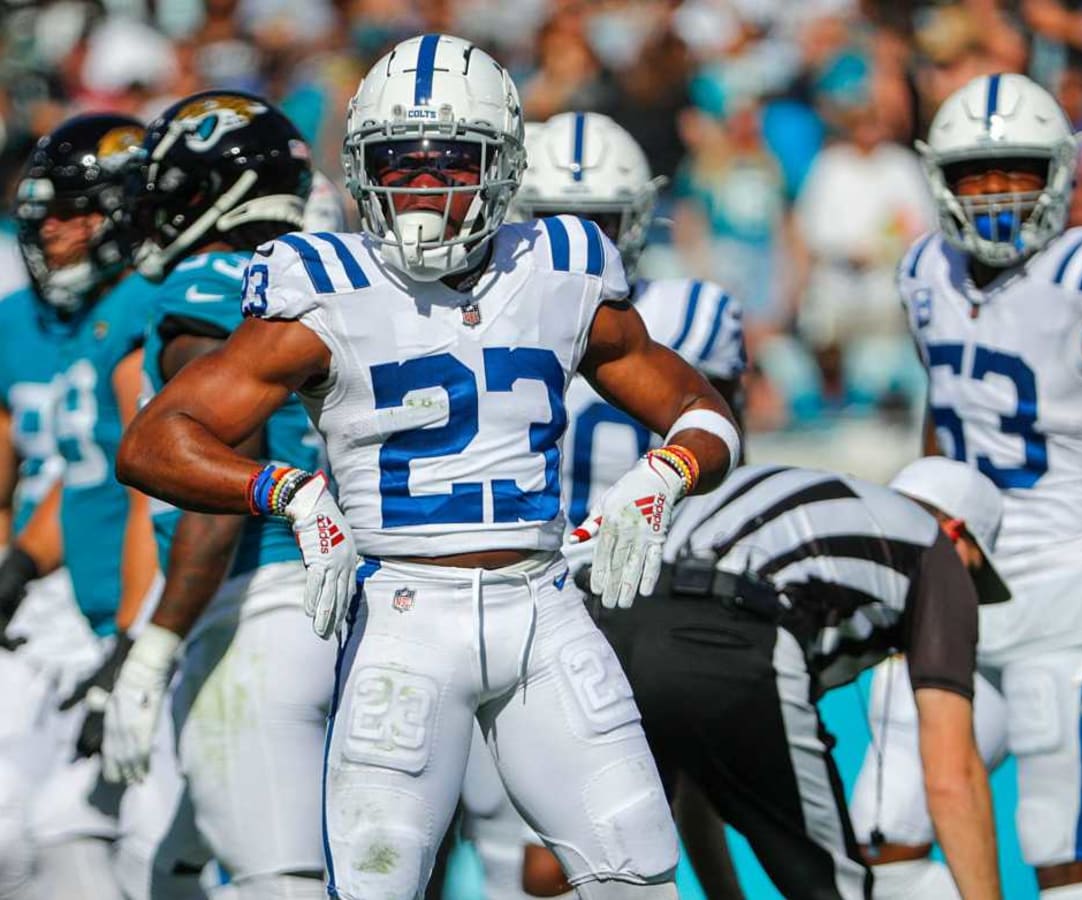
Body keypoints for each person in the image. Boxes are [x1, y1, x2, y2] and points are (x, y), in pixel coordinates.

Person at [116, 33, 741, 900]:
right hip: (402, 618)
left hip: (543, 611)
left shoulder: (558, 267)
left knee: (637, 873)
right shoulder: (321, 283)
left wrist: (666, 471)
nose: (420, 188)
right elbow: (154, 439)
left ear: (501, 166)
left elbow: (706, 412)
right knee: (378, 884)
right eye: (395, 164)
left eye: (447, 162)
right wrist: (286, 491)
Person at [850, 73, 1082, 900]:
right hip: (958, 593)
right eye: (977, 172)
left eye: (1018, 169)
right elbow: (947, 421)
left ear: (1061, 173)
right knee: (883, 829)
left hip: (1070, 594)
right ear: (941, 178)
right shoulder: (927, 271)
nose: (998, 191)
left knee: (1063, 852)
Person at [459, 110, 747, 900]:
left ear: (641, 218)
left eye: (603, 222)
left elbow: (722, 442)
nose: (583, 240)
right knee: (506, 831)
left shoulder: (692, 310)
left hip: (643, 580)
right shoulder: (483, 308)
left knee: (631, 816)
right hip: (527, 578)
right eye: (560, 221)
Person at [98, 90, 337, 899]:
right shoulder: (323, 273)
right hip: (342, 604)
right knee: (167, 867)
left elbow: (219, 484)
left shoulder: (207, 283)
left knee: (279, 881)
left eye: (172, 196)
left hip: (253, 610)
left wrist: (154, 645)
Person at [597, 459, 1006, 900]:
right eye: (976, 576)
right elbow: (952, 775)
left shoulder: (821, 504)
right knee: (836, 889)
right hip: (734, 636)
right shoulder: (934, 549)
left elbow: (699, 756)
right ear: (957, 532)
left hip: (612, 623)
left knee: (616, 877)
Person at [0, 113, 204, 900]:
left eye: (75, 212)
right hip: (86, 605)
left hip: (164, 607)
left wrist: (133, 642)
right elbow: (82, 471)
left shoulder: (156, 306)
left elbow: (154, 487)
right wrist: (18, 565)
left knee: (154, 843)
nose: (53, 232)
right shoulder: (99, 319)